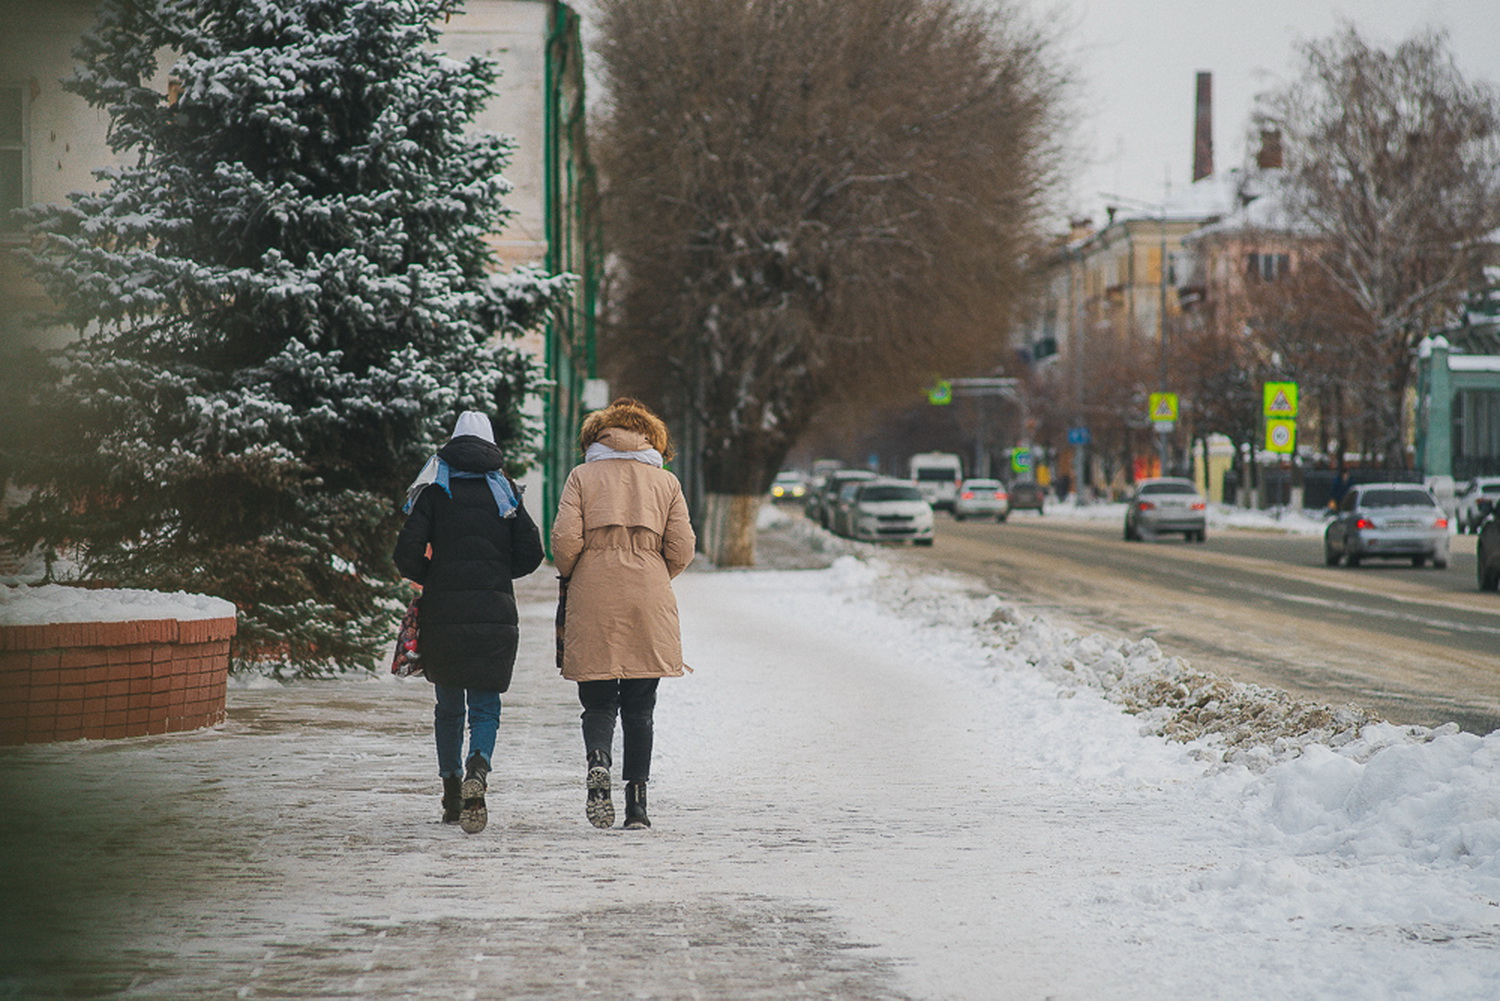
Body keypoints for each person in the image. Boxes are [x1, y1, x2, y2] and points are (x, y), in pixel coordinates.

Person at [393, 410, 544, 834]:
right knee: (485, 704)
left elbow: (405, 554)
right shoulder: (505, 489)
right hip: (495, 612)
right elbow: (532, 552)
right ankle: (479, 764)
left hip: (444, 611)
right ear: (490, 445)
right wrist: (496, 574)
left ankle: (451, 792)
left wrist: (435, 576)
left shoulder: (434, 489)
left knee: (448, 707)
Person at [551, 398, 695, 830]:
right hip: (648, 596)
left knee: (597, 700)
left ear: (599, 437)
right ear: (650, 438)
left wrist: (581, 572)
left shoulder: (582, 476)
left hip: (593, 591)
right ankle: (637, 804)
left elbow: (563, 541)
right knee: (640, 706)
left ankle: (599, 762)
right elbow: (683, 547)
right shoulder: (664, 482)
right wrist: (654, 572)